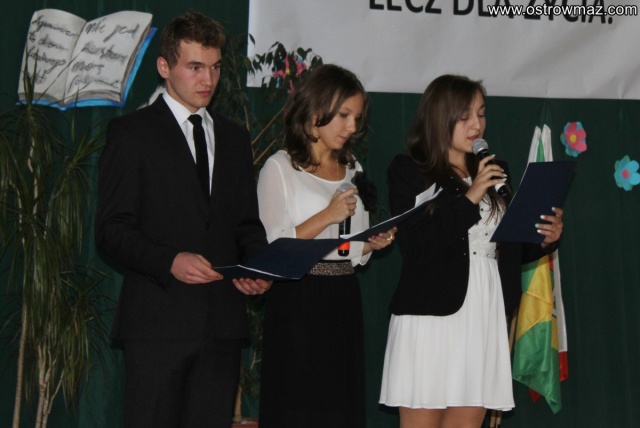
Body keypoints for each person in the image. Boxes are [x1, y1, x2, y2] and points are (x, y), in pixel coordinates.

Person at [95, 11, 271, 428]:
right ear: (164, 67)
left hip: (223, 325)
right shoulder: (131, 133)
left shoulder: (234, 137)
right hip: (158, 325)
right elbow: (111, 231)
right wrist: (169, 260)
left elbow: (246, 223)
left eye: (215, 67)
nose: (208, 79)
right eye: (195, 67)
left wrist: (257, 266)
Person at [378, 74, 564, 428]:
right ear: (439, 117)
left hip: (484, 309)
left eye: (481, 113)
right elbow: (418, 247)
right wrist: (471, 195)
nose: (477, 125)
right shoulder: (411, 171)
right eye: (465, 117)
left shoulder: (495, 171)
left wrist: (544, 239)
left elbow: (503, 246)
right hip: (431, 314)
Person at [256, 64, 397, 427]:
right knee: (298, 405)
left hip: (342, 296)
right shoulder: (279, 167)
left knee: (339, 405)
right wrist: (327, 215)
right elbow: (275, 248)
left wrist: (371, 244)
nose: (352, 127)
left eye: (357, 118)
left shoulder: (353, 168)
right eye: (344, 115)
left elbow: (347, 248)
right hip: (297, 298)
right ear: (316, 111)